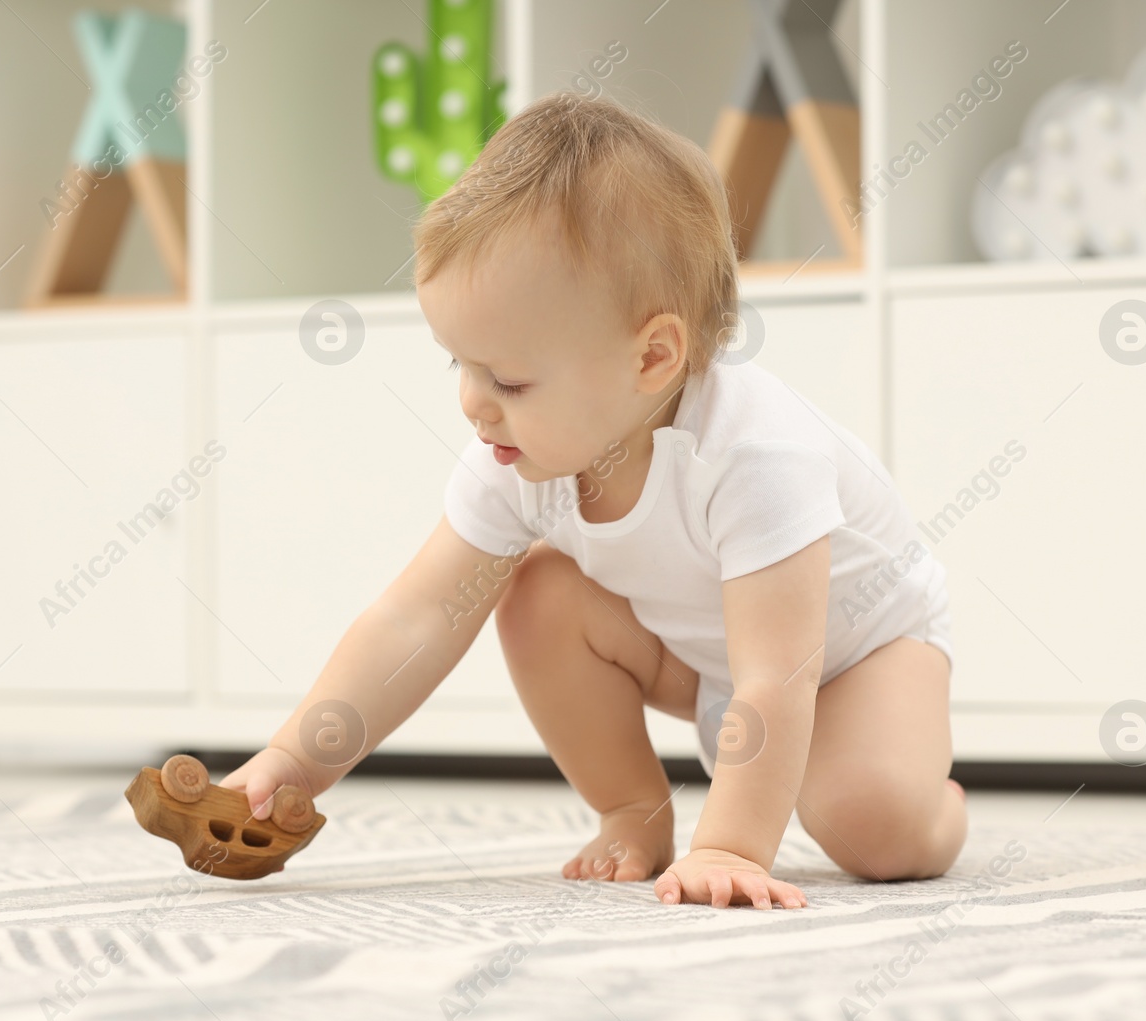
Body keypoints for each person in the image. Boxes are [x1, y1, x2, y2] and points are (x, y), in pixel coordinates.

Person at [223, 91, 966, 908]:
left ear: (652, 356)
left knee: (874, 824)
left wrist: (730, 848)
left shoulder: (757, 455)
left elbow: (776, 676)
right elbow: (417, 617)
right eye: (458, 366)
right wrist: (295, 761)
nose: (474, 403)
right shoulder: (518, 456)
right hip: (707, 655)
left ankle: (939, 802)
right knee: (535, 593)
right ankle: (631, 811)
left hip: (854, 653)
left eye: (506, 378)